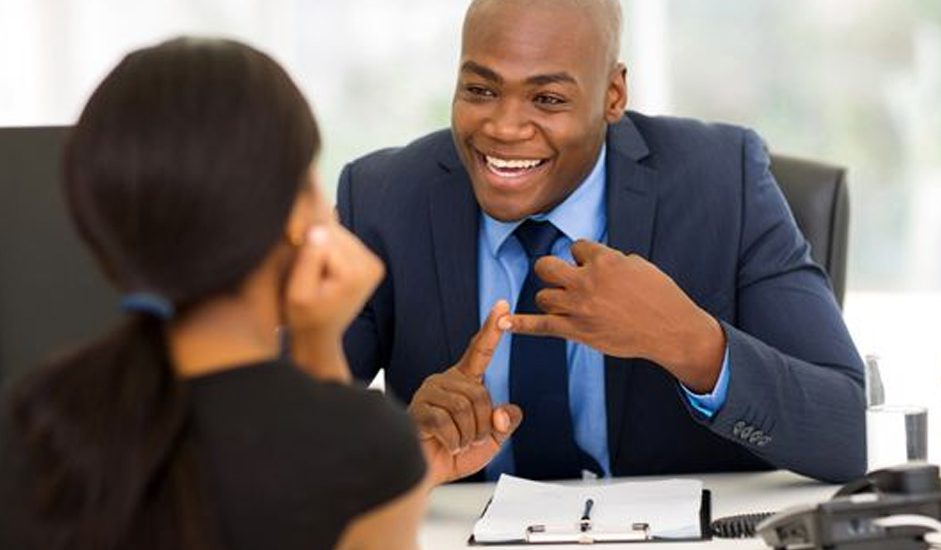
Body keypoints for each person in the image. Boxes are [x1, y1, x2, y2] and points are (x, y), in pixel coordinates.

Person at [0, 37, 509, 550]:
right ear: (296, 215)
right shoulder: (361, 447)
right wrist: (324, 352)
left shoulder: (32, 418)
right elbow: (322, 470)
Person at [338, 0, 866, 483]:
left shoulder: (725, 182)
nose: (504, 127)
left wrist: (688, 342)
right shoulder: (382, 199)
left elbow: (848, 432)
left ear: (613, 95)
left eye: (547, 99)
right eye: (481, 90)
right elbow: (294, 441)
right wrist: (396, 449)